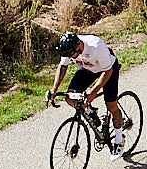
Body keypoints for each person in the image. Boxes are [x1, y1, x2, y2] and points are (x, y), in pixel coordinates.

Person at [46, 31, 127, 159]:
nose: (70, 57)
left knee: (111, 105)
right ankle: (90, 112)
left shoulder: (96, 46)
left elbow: (108, 70)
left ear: (78, 46)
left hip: (107, 69)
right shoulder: (69, 47)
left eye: (71, 55)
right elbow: (62, 67)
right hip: (88, 68)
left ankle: (119, 139)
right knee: (70, 97)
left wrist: (93, 92)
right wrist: (53, 89)